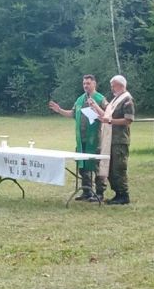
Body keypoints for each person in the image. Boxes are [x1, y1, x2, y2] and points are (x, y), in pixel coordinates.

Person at [48, 75, 107, 201]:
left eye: (88, 83)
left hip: (95, 139)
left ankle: (100, 193)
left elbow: (108, 114)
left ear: (94, 84)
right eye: (84, 83)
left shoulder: (100, 99)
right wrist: (59, 110)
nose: (86, 86)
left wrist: (96, 109)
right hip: (81, 140)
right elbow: (72, 113)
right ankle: (87, 191)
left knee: (97, 166)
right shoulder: (80, 99)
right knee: (83, 166)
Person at [88, 75, 135, 205]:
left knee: (118, 168)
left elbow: (128, 120)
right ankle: (117, 194)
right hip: (109, 140)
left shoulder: (127, 99)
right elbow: (106, 116)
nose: (112, 88)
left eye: (113, 86)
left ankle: (123, 195)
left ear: (121, 85)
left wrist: (110, 121)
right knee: (110, 169)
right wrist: (95, 107)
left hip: (119, 140)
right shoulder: (115, 99)